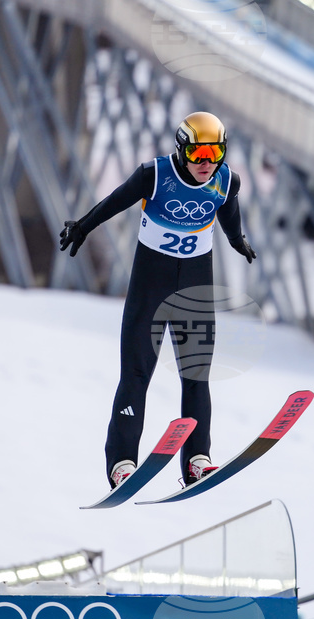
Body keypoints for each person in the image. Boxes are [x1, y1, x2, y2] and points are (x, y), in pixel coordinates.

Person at [60, 111, 256, 489]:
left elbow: (228, 212)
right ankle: (122, 464)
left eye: (215, 154)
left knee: (196, 376)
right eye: (198, 154)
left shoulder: (226, 180)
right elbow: (115, 201)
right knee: (135, 375)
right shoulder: (155, 174)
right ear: (183, 150)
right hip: (151, 284)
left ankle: (198, 461)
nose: (206, 163)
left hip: (196, 287)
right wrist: (82, 226)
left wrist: (236, 240)